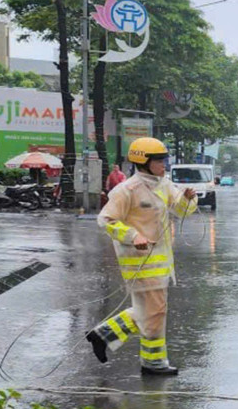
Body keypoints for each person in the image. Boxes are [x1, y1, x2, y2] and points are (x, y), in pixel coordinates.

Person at [85, 137, 198, 375]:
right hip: (138, 261)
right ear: (144, 162)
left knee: (152, 312)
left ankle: (106, 336)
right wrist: (132, 235)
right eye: (159, 160)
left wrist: (188, 198)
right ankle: (153, 363)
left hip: (161, 262)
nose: (164, 165)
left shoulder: (163, 185)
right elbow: (105, 220)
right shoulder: (127, 190)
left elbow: (181, 210)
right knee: (154, 312)